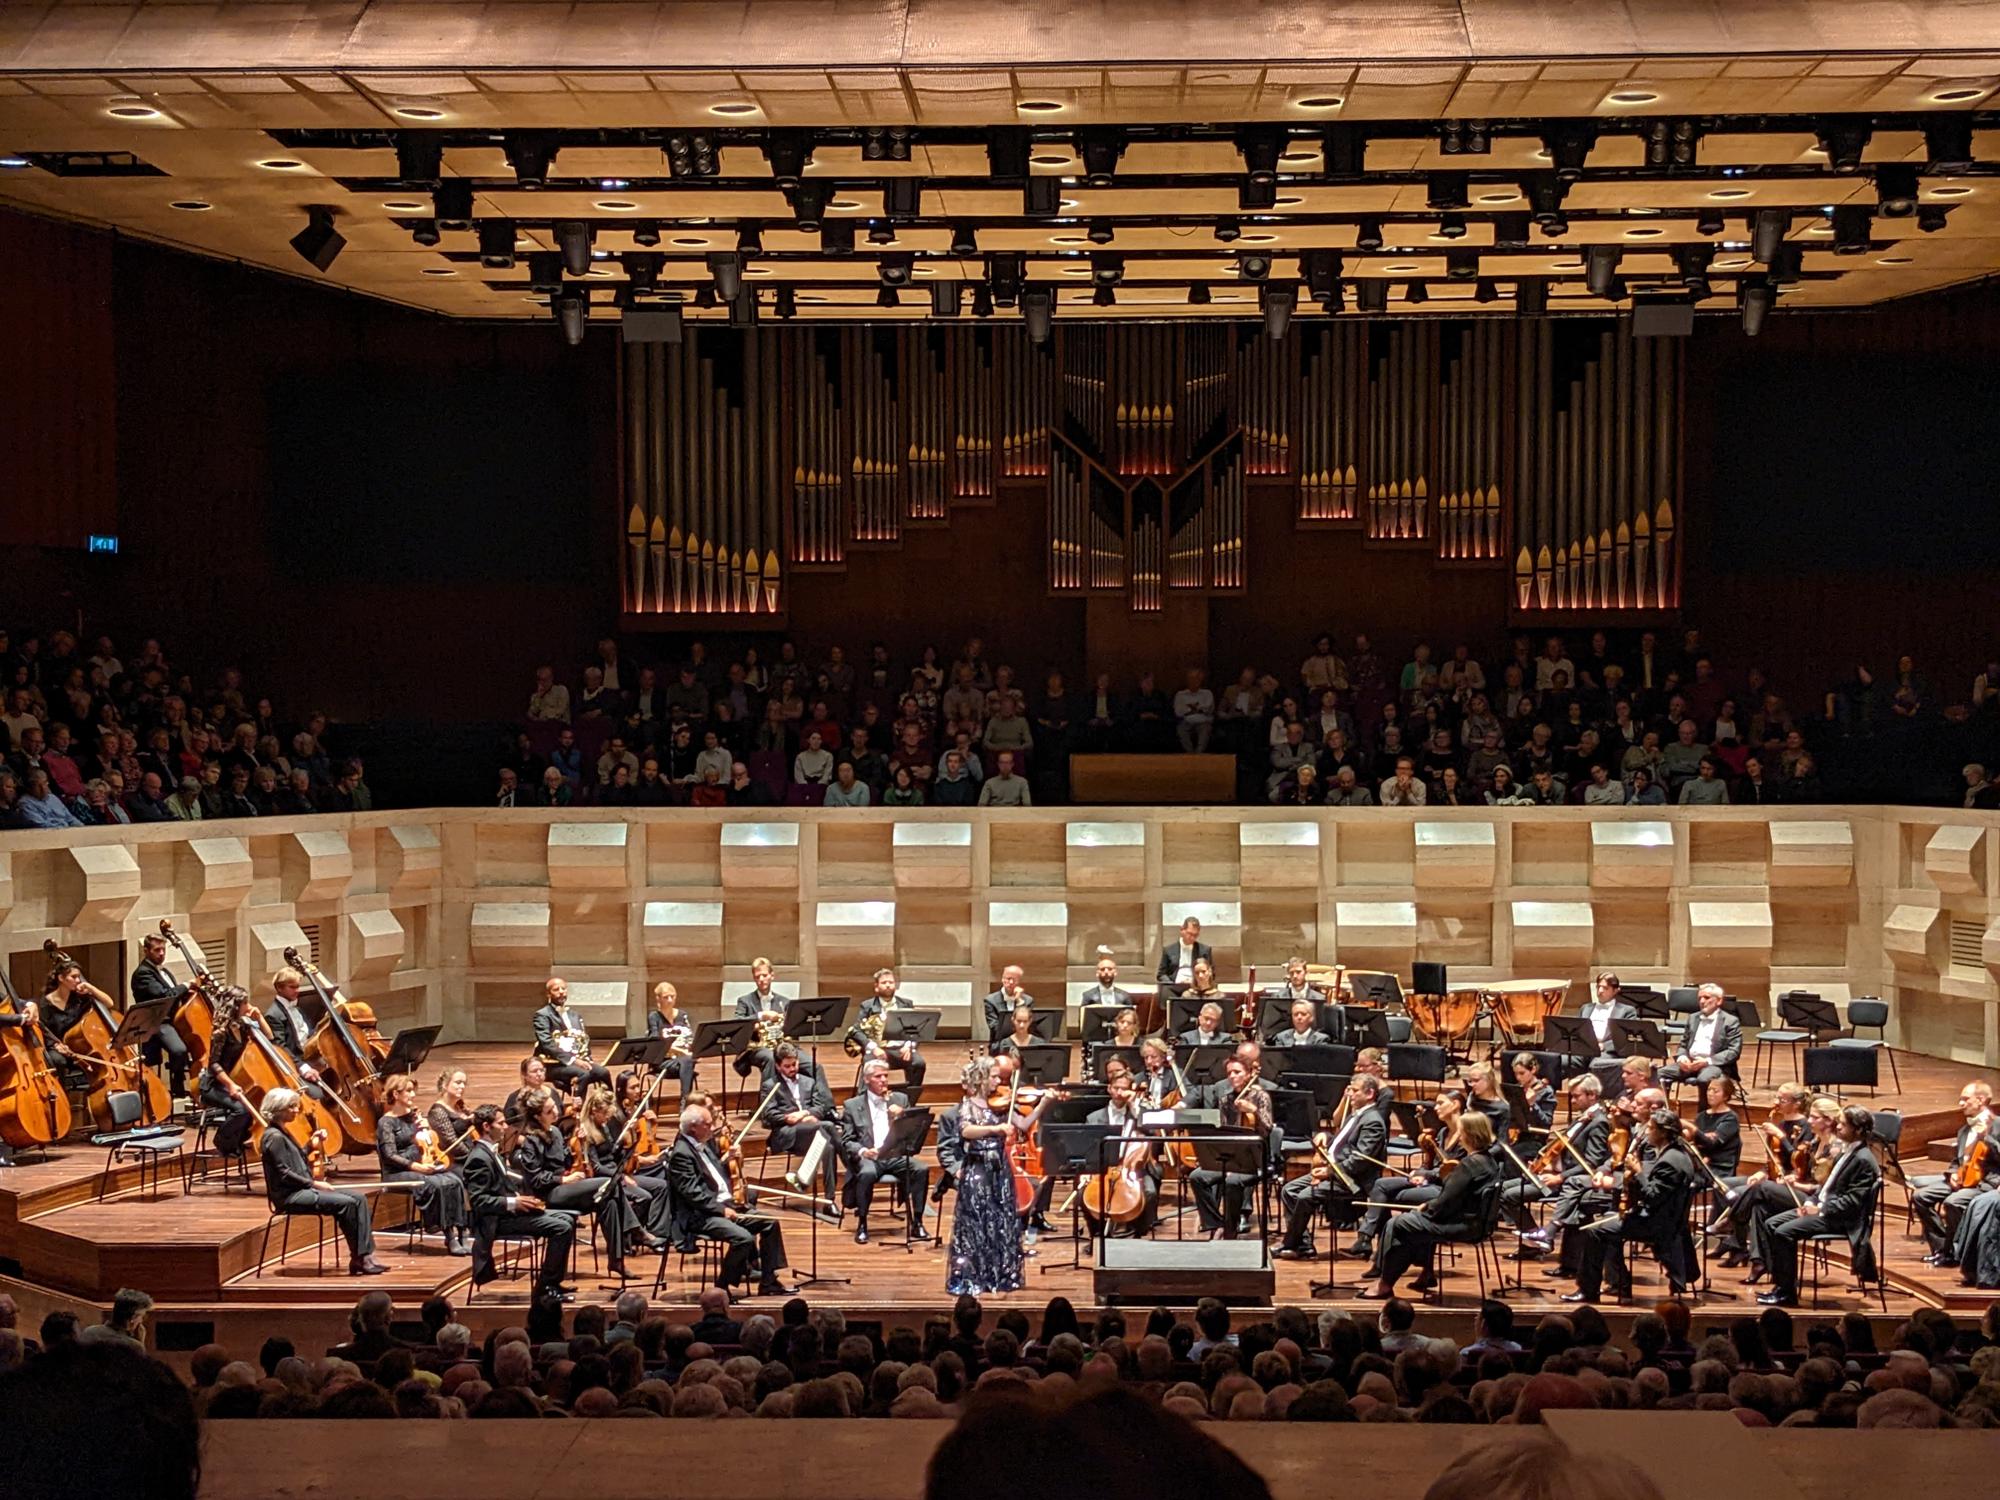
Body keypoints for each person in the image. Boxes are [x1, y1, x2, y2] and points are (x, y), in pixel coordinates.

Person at [946, 1055, 1057, 1294]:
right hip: (977, 1168)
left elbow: (1024, 1125)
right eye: (995, 1076)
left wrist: (1042, 1106)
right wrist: (994, 1129)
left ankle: (999, 1274)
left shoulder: (1002, 1104)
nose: (1000, 1081)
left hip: (999, 1169)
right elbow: (966, 1131)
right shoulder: (969, 1105)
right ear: (982, 1078)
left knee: (1000, 1219)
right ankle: (973, 1275)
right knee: (977, 1220)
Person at [1567, 1108, 1699, 1303]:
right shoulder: (1676, 1153)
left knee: (1595, 1231)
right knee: (1606, 1225)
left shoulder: (1670, 1161)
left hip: (1657, 1225)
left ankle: (1589, 1291)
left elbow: (1653, 1196)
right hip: (1663, 1219)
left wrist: (1637, 1172)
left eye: (1651, 1129)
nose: (1647, 1132)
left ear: (1663, 1132)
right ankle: (1619, 1284)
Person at [1362, 1111, 1499, 1299]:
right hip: (1476, 1223)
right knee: (1411, 1221)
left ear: (1469, 1134)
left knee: (1398, 1224)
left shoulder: (1468, 1165)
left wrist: (1427, 1207)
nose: (1459, 1137)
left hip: (1463, 1225)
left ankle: (1385, 1282)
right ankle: (1422, 1273)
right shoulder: (1489, 1162)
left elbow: (1446, 1203)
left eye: (1461, 1132)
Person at [1757, 1104, 1882, 1307]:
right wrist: (1809, 1202)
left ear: (1857, 1130)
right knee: (1771, 1223)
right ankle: (1781, 1286)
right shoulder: (1846, 1151)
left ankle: (1787, 1294)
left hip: (1840, 1220)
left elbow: (1852, 1202)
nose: (1838, 1127)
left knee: (1783, 1233)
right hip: (1824, 1210)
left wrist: (1821, 1209)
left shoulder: (1864, 1160)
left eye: (1843, 1124)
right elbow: (1827, 1187)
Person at [666, 1100, 794, 1299]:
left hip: (724, 1204)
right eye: (707, 1124)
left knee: (770, 1223)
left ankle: (768, 1282)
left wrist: (730, 1162)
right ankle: (721, 1287)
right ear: (693, 1128)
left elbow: (715, 1174)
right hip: (700, 1215)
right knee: (742, 1238)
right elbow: (693, 1194)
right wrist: (721, 1210)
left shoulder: (703, 1144)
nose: (712, 1128)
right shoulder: (681, 1154)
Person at [511, 1086, 640, 1279]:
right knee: (605, 1182)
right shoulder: (531, 1140)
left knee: (609, 1200)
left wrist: (576, 1143)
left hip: (565, 1189)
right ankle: (635, 1229)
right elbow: (535, 1179)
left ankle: (617, 1260)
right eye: (549, 1111)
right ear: (538, 1117)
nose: (556, 1112)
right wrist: (564, 1179)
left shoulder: (555, 1132)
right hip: (548, 1194)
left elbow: (567, 1161)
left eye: (554, 1107)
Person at [259, 1088, 385, 1275]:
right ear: (278, 1109)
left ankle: (365, 1255)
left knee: (359, 1199)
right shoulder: (273, 1137)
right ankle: (358, 1258)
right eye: (291, 1107)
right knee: (347, 1204)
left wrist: (311, 1143)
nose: (296, 1110)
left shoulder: (282, 1132)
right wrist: (315, 1184)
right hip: (291, 1195)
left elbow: (298, 1158)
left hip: (303, 1189)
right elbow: (285, 1173)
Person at [460, 1103, 578, 1301]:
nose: (506, 1127)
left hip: (507, 1213)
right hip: (496, 1221)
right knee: (561, 1228)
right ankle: (544, 1289)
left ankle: (553, 1282)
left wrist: (522, 1199)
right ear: (487, 1127)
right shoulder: (478, 1158)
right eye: (501, 1123)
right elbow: (480, 1201)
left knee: (568, 1219)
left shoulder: (491, 1151)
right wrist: (514, 1202)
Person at [1277, 1073, 1388, 1258]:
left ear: (1369, 1094)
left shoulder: (1373, 1121)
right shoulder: (1356, 1115)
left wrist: (1328, 1172)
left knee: (1304, 1196)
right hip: (1336, 1174)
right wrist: (1327, 1137)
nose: (1349, 1094)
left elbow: (1361, 1159)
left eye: (1354, 1090)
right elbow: (1342, 1143)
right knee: (1289, 1190)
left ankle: (1291, 1244)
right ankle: (1303, 1244)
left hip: (1352, 1181)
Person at [375, 1072, 472, 1255]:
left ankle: (462, 1231)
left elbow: (427, 1142)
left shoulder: (414, 1118)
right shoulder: (386, 1123)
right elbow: (389, 1155)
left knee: (454, 1179)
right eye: (409, 1091)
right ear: (396, 1095)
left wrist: (425, 1129)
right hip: (397, 1172)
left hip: (422, 1166)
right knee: (436, 1183)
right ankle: (448, 1234)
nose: (413, 1095)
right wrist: (415, 1166)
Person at [838, 1060, 932, 1244]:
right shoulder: (852, 1105)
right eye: (878, 1076)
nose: (883, 1080)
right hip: (870, 1157)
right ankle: (863, 1223)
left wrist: (903, 1114)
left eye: (886, 1076)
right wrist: (864, 1151)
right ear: (866, 1080)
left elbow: (913, 1130)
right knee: (866, 1173)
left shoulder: (900, 1099)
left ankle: (918, 1223)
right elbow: (847, 1141)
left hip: (894, 1154)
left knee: (921, 1169)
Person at [574, 1081, 675, 1245]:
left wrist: (629, 1135)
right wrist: (620, 1176)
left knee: (661, 1186)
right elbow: (596, 1167)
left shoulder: (604, 1127)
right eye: (605, 1114)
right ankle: (629, 1236)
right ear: (594, 1111)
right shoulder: (586, 1132)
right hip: (607, 1180)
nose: (607, 1118)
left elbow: (614, 1154)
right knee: (644, 1197)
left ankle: (658, 1233)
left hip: (619, 1174)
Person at [1910, 1081, 1998, 1266]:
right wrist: (1952, 1174)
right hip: (1963, 1179)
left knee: (1953, 1202)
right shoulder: (1964, 1130)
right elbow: (1957, 1161)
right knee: (1920, 1196)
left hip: (1985, 1184)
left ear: (1981, 1100)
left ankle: (1960, 1251)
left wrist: (1987, 1137)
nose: (1960, 1104)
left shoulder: (1997, 1126)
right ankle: (1943, 1248)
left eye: (1965, 1099)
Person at [1189, 1054, 1272, 1239]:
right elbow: (1223, 1133)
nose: (1233, 1076)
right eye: (1229, 1073)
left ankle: (1230, 1230)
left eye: (1237, 1072)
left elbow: (1267, 1129)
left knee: (1233, 1181)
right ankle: (1215, 1222)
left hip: (1253, 1160)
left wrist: (1254, 1112)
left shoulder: (1260, 1096)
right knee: (1197, 1177)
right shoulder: (1226, 1100)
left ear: (1250, 1074)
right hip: (1229, 1158)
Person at [756, 1042, 840, 1205]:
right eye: (787, 1066)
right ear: (779, 1067)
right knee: (829, 1127)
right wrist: (788, 1118)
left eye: (794, 1064)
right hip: (786, 1134)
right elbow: (768, 1114)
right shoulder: (770, 1085)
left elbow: (820, 1107)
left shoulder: (809, 1082)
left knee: (828, 1146)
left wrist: (805, 1114)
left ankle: (830, 1201)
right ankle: (852, 1162)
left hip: (811, 1132)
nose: (792, 1069)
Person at [1083, 1070, 1161, 1238]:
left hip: (1133, 1170)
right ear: (1109, 1089)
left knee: (1149, 1192)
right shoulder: (1094, 1118)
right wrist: (1087, 1172)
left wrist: (1134, 1107)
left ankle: (1137, 1235)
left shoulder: (1139, 1113)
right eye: (1115, 1088)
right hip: (1102, 1169)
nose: (1119, 1093)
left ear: (1131, 1090)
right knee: (1083, 1194)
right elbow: (1088, 1148)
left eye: (1123, 1089)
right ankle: (1097, 1237)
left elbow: (1153, 1131)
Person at [128, 930, 193, 1100]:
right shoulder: (143, 973)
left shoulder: (165, 971)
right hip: (157, 1023)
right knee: (179, 1050)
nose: (162, 953)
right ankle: (177, 1084)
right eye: (157, 950)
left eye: (163, 949)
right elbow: (165, 995)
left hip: (173, 1020)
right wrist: (186, 985)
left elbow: (174, 995)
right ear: (146, 951)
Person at [263, 966, 334, 1107]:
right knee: (318, 1094)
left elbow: (310, 1034)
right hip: (295, 1066)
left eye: (298, 987)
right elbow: (280, 1049)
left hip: (312, 1060)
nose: (297, 991)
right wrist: (303, 1067)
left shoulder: (299, 1009)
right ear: (279, 988)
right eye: (292, 987)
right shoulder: (273, 1015)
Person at [531, 976, 610, 1095]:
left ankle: (612, 1109)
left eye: (563, 988)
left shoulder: (575, 1015)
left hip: (577, 1062)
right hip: (553, 1064)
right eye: (556, 989)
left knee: (603, 1072)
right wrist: (573, 1060)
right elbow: (547, 1043)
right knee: (583, 1074)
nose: (561, 991)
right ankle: (578, 1110)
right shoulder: (542, 1015)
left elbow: (583, 1040)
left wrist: (587, 1058)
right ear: (548, 994)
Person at [855, 966, 927, 1090]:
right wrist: (874, 1048)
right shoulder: (867, 1006)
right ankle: (865, 1099)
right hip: (878, 1050)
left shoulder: (906, 1004)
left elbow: (915, 1028)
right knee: (869, 1064)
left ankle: (909, 1099)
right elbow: (857, 1031)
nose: (888, 985)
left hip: (901, 1049)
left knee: (918, 1064)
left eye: (891, 982)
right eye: (884, 983)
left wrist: (909, 1045)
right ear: (876, 986)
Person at [1660, 982, 1742, 1087]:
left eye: (1706, 998)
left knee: (1704, 1079)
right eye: (1699, 998)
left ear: (1719, 1000)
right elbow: (1683, 1044)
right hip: (1690, 1064)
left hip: (1714, 1065)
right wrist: (1682, 1057)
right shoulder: (1693, 1018)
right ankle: (1661, 1103)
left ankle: (1704, 1104)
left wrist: (1706, 1061)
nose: (1702, 1001)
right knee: (1656, 1073)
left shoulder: (1730, 1021)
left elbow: (1733, 1051)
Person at [731, 955, 789, 1079]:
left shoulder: (784, 1002)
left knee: (812, 1064)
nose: (761, 979)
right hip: (755, 1049)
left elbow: (792, 1030)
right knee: (771, 1058)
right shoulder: (744, 1001)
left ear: (772, 976)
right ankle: (768, 1097)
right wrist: (762, 1016)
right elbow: (737, 1022)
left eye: (764, 975)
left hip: (780, 1046)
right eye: (757, 977)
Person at [644, 979, 697, 1103]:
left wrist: (693, 1049)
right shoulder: (654, 1017)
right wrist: (680, 1051)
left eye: (672, 997)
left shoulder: (682, 1015)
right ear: (658, 999)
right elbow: (657, 1042)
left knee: (688, 1061)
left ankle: (686, 1101)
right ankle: (686, 1102)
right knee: (688, 1061)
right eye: (665, 997)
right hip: (663, 1061)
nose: (669, 1000)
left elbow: (689, 1037)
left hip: (681, 1061)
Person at [1577, 971, 1637, 1058]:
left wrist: (1604, 1046)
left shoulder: (1627, 1011)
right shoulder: (1585, 1008)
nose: (1600, 991)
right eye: (1598, 987)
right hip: (1584, 1050)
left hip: (1607, 1052)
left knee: (1597, 1063)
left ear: (1615, 990)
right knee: (1554, 1057)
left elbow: (1626, 1038)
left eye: (1605, 988)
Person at [1156, 915, 1212, 995]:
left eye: (1195, 935)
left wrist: (1196, 980)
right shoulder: (1168, 950)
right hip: (1174, 986)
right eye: (1190, 934)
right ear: (1182, 930)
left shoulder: (1204, 950)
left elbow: (1211, 973)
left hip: (1196, 986)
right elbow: (1161, 974)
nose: (1192, 938)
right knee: (1166, 992)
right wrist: (1172, 983)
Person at [982, 964, 1032, 1043]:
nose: (1011, 982)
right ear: (1002, 979)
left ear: (1019, 981)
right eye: (1008, 979)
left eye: (1015, 979)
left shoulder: (1028, 1001)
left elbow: (1028, 1025)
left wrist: (1019, 1002)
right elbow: (994, 1028)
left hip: (1022, 1042)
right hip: (1000, 1043)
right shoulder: (990, 1000)